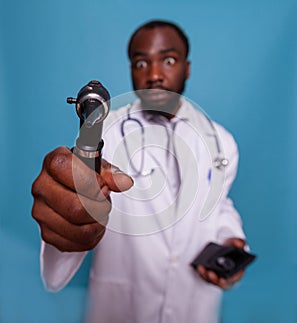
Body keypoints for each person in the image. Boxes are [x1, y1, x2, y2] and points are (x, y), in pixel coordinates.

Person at [31, 20, 248, 323]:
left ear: (187, 68)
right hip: (120, 308)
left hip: (195, 309)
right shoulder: (103, 134)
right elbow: (75, 200)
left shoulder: (222, 141)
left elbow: (220, 201)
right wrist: (66, 222)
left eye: (168, 60)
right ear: (131, 68)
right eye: (141, 62)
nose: (154, 74)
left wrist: (231, 238)